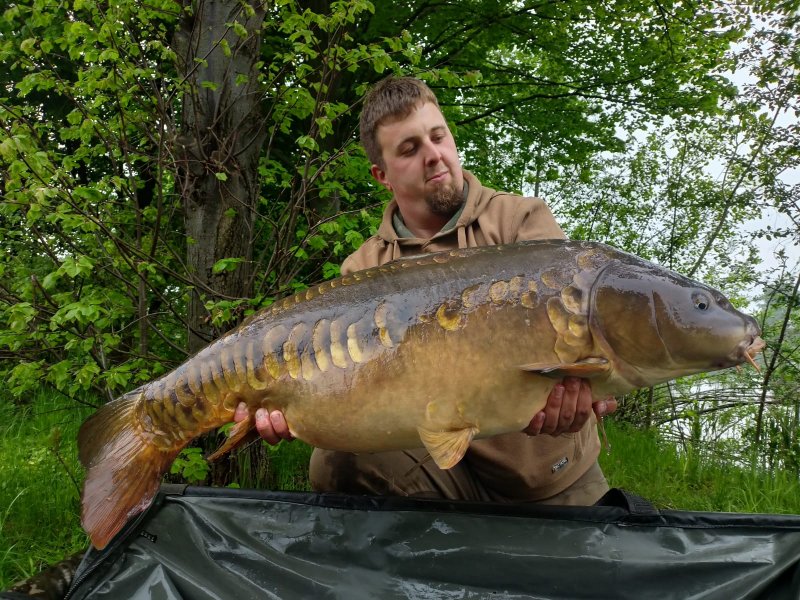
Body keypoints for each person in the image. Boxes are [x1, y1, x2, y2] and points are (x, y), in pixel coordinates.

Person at [235, 76, 617, 505]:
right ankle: (437, 537)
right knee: (333, 463)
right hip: (442, 475)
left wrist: (593, 389)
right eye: (410, 149)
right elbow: (343, 394)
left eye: (438, 136)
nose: (433, 155)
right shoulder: (364, 269)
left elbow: (582, 343)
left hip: (551, 478)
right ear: (382, 175)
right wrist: (294, 407)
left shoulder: (520, 221)